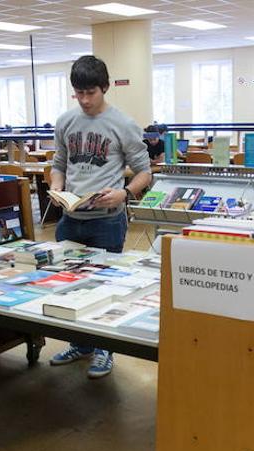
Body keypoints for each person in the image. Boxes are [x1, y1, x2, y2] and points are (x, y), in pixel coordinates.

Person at [48, 55, 153, 379]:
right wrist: (56, 186)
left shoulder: (122, 124)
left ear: (104, 88)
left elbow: (144, 172)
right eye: (78, 92)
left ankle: (105, 349)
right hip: (71, 218)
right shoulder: (66, 121)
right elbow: (59, 164)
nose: (84, 99)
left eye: (90, 92)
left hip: (107, 219)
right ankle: (81, 344)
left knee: (105, 287)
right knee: (71, 287)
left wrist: (125, 192)